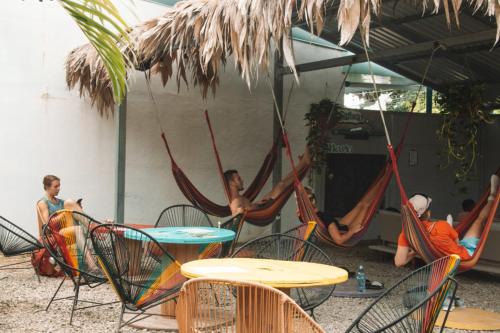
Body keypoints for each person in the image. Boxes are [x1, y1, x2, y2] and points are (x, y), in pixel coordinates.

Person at [394, 174, 499, 267]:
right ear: (428, 213)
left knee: (455, 234)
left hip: (441, 260)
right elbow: (457, 243)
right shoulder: (441, 225)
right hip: (464, 257)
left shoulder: (406, 234)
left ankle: (492, 196)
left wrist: (415, 251)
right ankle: (492, 196)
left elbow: (399, 262)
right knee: (479, 221)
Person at [226, 149, 311, 215]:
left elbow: (249, 208)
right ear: (231, 183)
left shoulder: (240, 198)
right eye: (238, 179)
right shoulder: (235, 202)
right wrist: (240, 211)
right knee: (281, 185)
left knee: (281, 184)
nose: (242, 180)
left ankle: (302, 165)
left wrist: (256, 204)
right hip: (265, 210)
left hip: (263, 206)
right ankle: (303, 164)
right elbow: (237, 217)